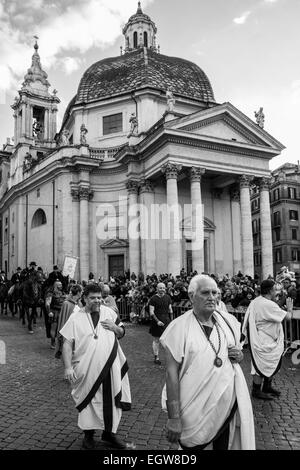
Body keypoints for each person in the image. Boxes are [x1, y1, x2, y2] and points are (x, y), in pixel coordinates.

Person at [160, 274, 255, 450]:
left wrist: (239, 357)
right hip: (193, 410)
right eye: (205, 293)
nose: (212, 297)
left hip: (226, 408)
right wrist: (174, 417)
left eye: (215, 292)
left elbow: (237, 355)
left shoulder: (229, 322)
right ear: (191, 296)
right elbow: (171, 374)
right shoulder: (178, 328)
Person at [60, 284, 131, 450]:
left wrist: (115, 328)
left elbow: (122, 331)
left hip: (110, 366)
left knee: (112, 399)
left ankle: (109, 434)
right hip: (86, 369)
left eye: (99, 297)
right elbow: (67, 344)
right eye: (93, 298)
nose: (97, 300)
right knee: (89, 400)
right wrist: (68, 367)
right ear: (85, 298)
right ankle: (88, 436)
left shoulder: (109, 313)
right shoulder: (75, 317)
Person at [241, 279, 293, 400]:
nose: (277, 292)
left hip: (266, 338)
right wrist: (289, 309)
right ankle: (256, 390)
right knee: (261, 365)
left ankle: (267, 387)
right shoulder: (268, 304)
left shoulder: (257, 301)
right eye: (275, 289)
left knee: (271, 362)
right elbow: (288, 317)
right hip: (264, 339)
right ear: (270, 291)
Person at [54, 284, 83, 359]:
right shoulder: (66, 304)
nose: (82, 293)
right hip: (69, 332)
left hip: (78, 331)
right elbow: (63, 319)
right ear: (78, 292)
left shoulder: (79, 303)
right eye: (81, 291)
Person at [148, 282, 173, 365]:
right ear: (157, 289)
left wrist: (172, 321)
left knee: (169, 340)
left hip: (166, 320)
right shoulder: (153, 299)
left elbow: (170, 310)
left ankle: (170, 358)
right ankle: (156, 357)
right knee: (156, 340)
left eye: (163, 288)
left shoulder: (168, 297)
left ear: (165, 289)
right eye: (160, 288)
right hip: (157, 321)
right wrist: (157, 321)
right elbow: (151, 312)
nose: (162, 289)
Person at [45, 280, 66, 349]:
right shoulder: (50, 293)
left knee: (62, 328)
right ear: (56, 286)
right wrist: (49, 312)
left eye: (61, 284)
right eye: (60, 285)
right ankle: (53, 342)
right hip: (54, 312)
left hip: (62, 311)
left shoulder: (62, 292)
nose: (61, 286)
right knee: (54, 328)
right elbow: (47, 304)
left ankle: (61, 342)